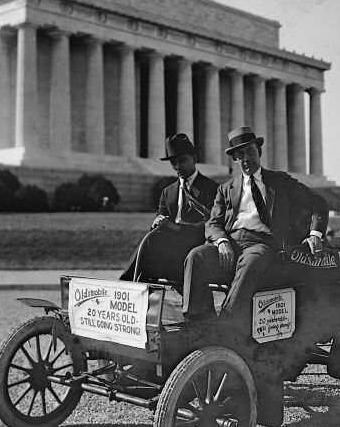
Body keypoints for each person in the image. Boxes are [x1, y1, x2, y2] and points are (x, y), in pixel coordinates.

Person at [182, 126, 329, 323]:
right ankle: (198, 320)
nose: (245, 159)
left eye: (250, 152)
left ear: (259, 152)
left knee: (251, 261)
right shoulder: (226, 189)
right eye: (240, 154)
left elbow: (318, 202)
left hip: (263, 245)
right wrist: (222, 241)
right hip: (231, 243)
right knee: (196, 256)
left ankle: (226, 323)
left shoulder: (280, 181)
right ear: (234, 159)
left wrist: (315, 235)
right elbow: (212, 223)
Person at [120, 133, 219, 284]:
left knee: (151, 246)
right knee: (152, 241)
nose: (178, 167)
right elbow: (160, 221)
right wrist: (158, 221)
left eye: (182, 161)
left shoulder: (211, 189)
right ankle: (130, 292)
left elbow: (210, 226)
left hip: (195, 247)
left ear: (194, 158)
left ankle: (125, 286)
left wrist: (177, 228)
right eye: (173, 162)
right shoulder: (168, 192)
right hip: (169, 249)